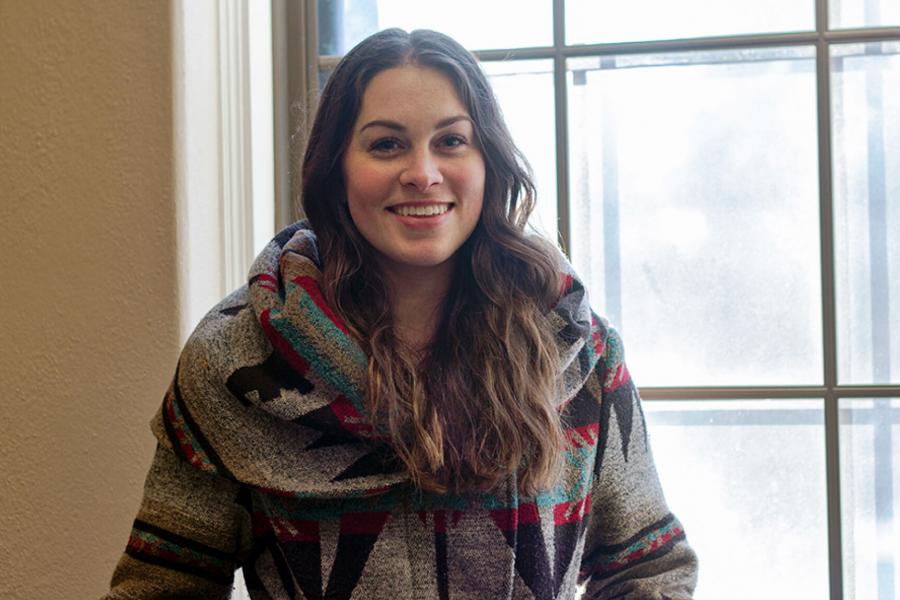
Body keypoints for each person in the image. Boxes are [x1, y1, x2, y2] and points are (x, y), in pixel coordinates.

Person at [104, 28, 697, 599]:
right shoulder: (233, 359)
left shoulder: (579, 350)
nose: (422, 172)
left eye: (451, 141)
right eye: (386, 143)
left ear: (488, 161)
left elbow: (650, 568)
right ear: (336, 169)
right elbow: (162, 588)